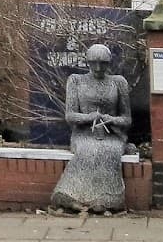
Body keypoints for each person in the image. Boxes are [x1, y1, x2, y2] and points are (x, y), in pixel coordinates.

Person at [50, 43, 131, 213]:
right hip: (83, 134)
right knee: (88, 150)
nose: (98, 67)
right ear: (88, 62)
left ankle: (107, 199)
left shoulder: (118, 82)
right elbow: (70, 115)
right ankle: (69, 195)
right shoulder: (76, 81)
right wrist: (89, 117)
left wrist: (111, 119)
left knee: (108, 151)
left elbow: (126, 119)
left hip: (112, 135)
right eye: (94, 63)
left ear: (109, 63)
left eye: (103, 63)